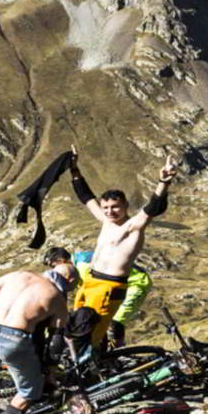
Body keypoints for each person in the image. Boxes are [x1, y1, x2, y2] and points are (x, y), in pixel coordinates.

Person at [66, 150, 176, 355]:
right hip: (90, 282)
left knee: (90, 334)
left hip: (109, 287)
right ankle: (80, 363)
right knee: (73, 328)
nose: (109, 211)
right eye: (106, 207)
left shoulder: (134, 226)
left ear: (125, 206)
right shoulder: (106, 221)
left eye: (115, 207)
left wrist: (164, 182)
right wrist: (74, 169)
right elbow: (86, 197)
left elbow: (153, 207)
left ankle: (89, 371)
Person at [0, 254, 75, 414]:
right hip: (15, 340)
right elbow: (55, 343)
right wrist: (48, 368)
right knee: (30, 390)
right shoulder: (57, 299)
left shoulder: (20, 275)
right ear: (69, 280)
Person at [73, 248, 149, 347]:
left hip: (136, 283)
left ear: (61, 261)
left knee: (117, 320)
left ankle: (119, 352)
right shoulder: (81, 260)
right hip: (120, 285)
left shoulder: (81, 267)